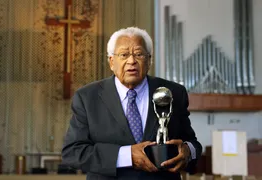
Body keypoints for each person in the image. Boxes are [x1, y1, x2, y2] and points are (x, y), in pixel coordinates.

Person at [61, 27, 202, 180]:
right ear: (111, 62)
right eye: (124, 54)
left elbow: (193, 143)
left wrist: (188, 151)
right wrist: (127, 156)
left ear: (149, 60)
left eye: (139, 54)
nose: (131, 61)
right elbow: (73, 152)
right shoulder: (88, 97)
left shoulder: (173, 92)